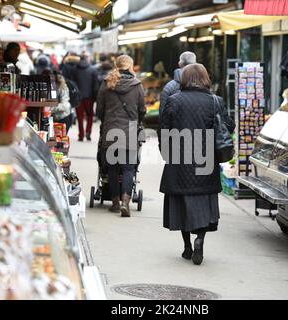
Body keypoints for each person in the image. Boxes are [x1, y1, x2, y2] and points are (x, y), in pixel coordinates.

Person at [159, 63, 235, 266]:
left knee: (182, 205)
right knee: (203, 203)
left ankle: (187, 247)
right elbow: (229, 126)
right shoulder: (215, 101)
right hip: (206, 161)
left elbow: (164, 130)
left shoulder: (174, 101)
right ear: (205, 78)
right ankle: (200, 239)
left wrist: (166, 153)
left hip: (179, 161)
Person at [96, 55, 146, 217]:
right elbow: (142, 110)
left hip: (110, 131)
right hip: (129, 131)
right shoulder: (137, 85)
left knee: (112, 168)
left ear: (116, 65)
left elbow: (99, 110)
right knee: (128, 168)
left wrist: (106, 121)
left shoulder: (106, 83)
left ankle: (115, 203)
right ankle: (126, 202)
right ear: (130, 66)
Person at [159, 51, 196, 119]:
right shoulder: (203, 86)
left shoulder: (169, 87)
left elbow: (163, 115)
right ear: (195, 64)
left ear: (179, 64)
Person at [73, 54, 99, 141]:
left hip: (78, 97)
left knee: (80, 117)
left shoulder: (75, 70)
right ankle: (88, 132)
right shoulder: (93, 70)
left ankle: (81, 134)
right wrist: (95, 97)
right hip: (89, 97)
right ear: (87, 60)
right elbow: (95, 85)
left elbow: (73, 84)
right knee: (90, 115)